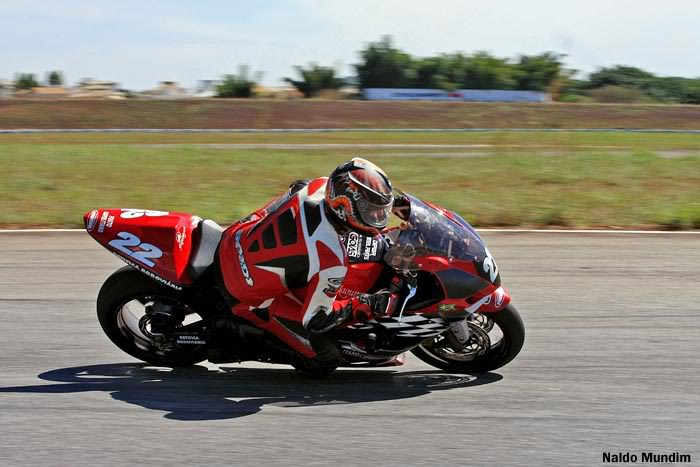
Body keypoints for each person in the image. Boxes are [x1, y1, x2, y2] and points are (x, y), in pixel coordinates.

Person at [217, 158, 398, 367]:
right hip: (245, 292)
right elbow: (316, 320)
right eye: (371, 210)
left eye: (382, 210)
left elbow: (294, 189)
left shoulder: (318, 186)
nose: (378, 216)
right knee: (324, 359)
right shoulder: (331, 258)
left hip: (235, 236)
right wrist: (365, 304)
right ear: (344, 206)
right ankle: (237, 333)